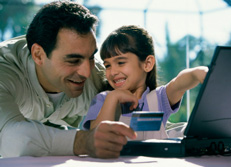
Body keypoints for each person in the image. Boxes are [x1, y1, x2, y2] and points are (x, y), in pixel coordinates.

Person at [0, 1, 137, 159]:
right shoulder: (4, 71)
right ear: (38, 55)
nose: (86, 72)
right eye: (73, 60)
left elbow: (146, 115)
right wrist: (84, 142)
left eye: (91, 56)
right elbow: (10, 137)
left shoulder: (99, 75)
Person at [82, 25, 208, 139]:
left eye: (120, 63)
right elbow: (95, 137)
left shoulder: (158, 99)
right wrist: (113, 98)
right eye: (107, 65)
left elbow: (179, 84)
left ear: (147, 64)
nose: (112, 72)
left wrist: (197, 73)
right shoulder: (102, 100)